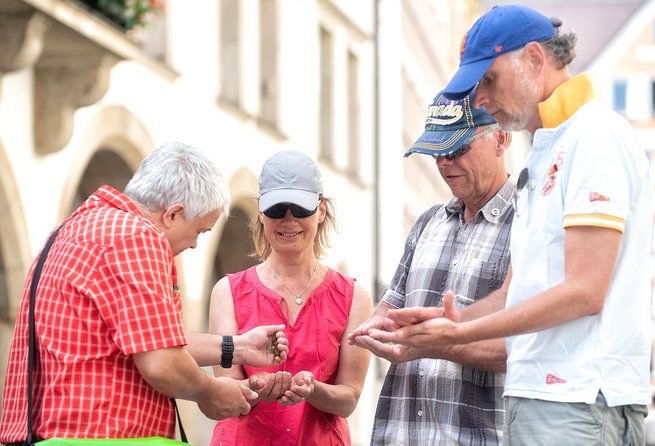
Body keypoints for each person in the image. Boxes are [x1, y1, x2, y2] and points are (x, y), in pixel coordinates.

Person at [369, 5, 652, 446]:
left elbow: (585, 291)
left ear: (535, 60)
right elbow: (516, 294)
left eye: (489, 80)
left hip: (579, 400)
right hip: (542, 396)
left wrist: (455, 333)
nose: (480, 100)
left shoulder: (595, 136)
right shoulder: (544, 153)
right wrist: (445, 319)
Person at [0, 142, 289, 444]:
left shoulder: (77, 228)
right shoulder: (138, 238)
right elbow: (161, 361)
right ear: (173, 214)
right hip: (100, 438)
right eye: (200, 231)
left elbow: (151, 337)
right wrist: (211, 392)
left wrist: (237, 347)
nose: (194, 245)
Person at [349, 88, 513, 445]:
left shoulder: (528, 223)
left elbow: (524, 346)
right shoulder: (427, 223)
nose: (444, 163)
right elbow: (390, 308)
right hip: (402, 434)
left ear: (501, 140)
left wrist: (430, 344)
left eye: (457, 150)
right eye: (437, 151)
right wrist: (372, 329)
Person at [208, 150, 372, 446]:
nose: (288, 220)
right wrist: (258, 388)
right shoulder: (228, 292)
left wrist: (313, 390)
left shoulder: (353, 296)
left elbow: (349, 398)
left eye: (299, 209)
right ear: (260, 212)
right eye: (276, 209)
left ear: (321, 210)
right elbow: (225, 391)